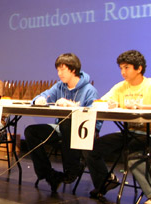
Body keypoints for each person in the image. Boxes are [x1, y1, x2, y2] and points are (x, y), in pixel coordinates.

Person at [83, 50, 151, 204]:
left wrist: (142, 107)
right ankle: (105, 182)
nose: (123, 72)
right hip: (129, 133)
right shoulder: (121, 87)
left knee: (132, 152)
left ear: (138, 68)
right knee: (90, 148)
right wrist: (109, 104)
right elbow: (99, 102)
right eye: (121, 68)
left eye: (126, 68)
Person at [24, 53, 102, 193]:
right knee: (31, 131)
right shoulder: (60, 86)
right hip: (62, 129)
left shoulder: (89, 90)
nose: (59, 73)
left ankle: (72, 170)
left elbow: (95, 116)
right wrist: (39, 100)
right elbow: (43, 95)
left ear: (73, 70)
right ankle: (48, 174)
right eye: (58, 70)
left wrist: (72, 106)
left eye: (62, 70)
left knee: (66, 124)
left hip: (82, 131)